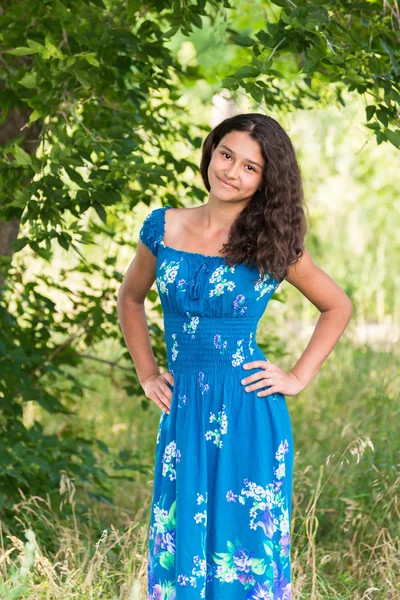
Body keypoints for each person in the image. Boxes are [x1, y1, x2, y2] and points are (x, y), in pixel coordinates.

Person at [117, 113, 353, 600]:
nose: (232, 172)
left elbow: (337, 306)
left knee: (244, 550)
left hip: (248, 409)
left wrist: (296, 377)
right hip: (183, 411)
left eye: (251, 167)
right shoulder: (163, 226)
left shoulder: (272, 241)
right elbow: (130, 298)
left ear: (265, 180)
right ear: (211, 153)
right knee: (180, 537)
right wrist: (147, 373)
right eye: (226, 155)